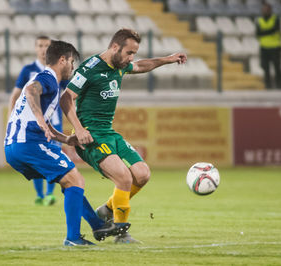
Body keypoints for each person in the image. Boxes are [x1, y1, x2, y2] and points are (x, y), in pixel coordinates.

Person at [60, 28, 187, 243]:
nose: (131, 58)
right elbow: (66, 98)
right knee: (124, 177)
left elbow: (140, 66)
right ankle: (121, 233)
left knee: (142, 174)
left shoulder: (120, 64)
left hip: (109, 133)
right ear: (115, 47)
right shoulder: (90, 68)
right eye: (129, 53)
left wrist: (168, 59)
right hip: (90, 136)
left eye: (134, 53)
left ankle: (106, 210)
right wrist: (79, 130)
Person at [4, 40, 130, 246]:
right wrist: (40, 120)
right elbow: (31, 92)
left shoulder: (48, 80)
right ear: (62, 60)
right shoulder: (48, 79)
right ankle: (73, 238)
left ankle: (98, 225)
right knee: (76, 180)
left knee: (69, 181)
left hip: (15, 147)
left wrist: (65, 139)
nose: (73, 67)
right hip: (28, 144)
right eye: (71, 61)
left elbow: (41, 118)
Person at [8, 35, 60, 206]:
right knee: (36, 156)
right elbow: (15, 96)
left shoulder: (58, 71)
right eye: (40, 45)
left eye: (46, 45)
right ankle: (40, 194)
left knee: (53, 154)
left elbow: (67, 95)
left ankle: (50, 194)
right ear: (35, 48)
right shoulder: (28, 70)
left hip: (53, 120)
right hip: (31, 122)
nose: (43, 49)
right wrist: (11, 118)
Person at [256, 2, 281, 89]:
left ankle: (279, 85)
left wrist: (264, 32)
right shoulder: (259, 20)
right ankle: (268, 86)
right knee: (265, 68)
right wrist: (268, 32)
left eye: (267, 9)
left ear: (270, 10)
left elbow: (275, 30)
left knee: (277, 67)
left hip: (275, 46)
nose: (265, 11)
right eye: (263, 9)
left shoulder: (276, 19)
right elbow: (258, 33)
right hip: (264, 47)